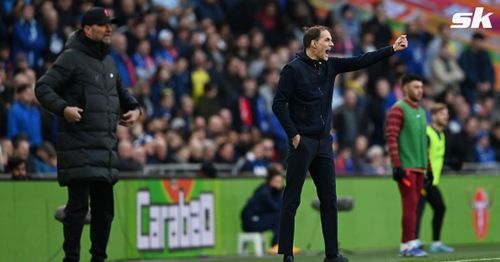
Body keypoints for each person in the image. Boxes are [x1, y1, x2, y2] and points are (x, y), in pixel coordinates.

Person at [272, 25, 408, 262]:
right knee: (291, 198)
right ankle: (286, 255)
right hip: (302, 143)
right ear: (313, 43)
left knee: (329, 200)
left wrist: (392, 49)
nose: (332, 45)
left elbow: (360, 61)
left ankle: (332, 255)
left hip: (324, 143)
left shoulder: (330, 65)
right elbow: (278, 104)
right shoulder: (292, 70)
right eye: (327, 40)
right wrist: (294, 134)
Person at [34, 7, 141, 262]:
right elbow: (43, 87)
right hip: (78, 146)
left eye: (110, 25)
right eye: (103, 25)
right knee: (78, 209)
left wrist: (136, 109)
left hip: (104, 149)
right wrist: (64, 109)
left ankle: (98, 259)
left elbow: (122, 93)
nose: (109, 29)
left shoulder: (109, 62)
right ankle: (71, 258)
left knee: (104, 212)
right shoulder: (71, 57)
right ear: (87, 28)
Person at [386, 74, 429, 257]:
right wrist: (397, 165)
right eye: (416, 87)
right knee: (410, 207)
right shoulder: (398, 109)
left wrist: (429, 168)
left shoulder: (421, 111)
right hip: (407, 167)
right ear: (405, 88)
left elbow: (424, 143)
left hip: (419, 167)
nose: (420, 90)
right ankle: (408, 245)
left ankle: (408, 243)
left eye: (421, 87)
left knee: (414, 206)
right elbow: (392, 137)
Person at [415, 103, 454, 253]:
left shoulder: (441, 134)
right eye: (443, 114)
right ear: (435, 116)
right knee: (420, 210)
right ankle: (414, 242)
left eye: (447, 114)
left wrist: (451, 163)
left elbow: (437, 157)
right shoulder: (427, 133)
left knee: (437, 208)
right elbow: (423, 153)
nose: (446, 117)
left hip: (432, 180)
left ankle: (434, 243)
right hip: (423, 179)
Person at [241, 167, 284, 253]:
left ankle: (277, 244)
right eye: (276, 181)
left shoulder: (269, 190)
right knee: (279, 217)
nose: (278, 184)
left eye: (280, 182)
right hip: (250, 223)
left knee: (279, 216)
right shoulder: (264, 193)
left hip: (258, 219)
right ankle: (276, 245)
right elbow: (277, 207)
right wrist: (280, 191)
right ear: (270, 181)